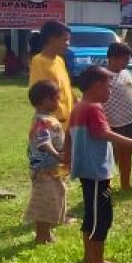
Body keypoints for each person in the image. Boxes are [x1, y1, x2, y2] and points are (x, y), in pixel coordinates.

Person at [70, 66, 132, 263]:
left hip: (88, 170)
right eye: (108, 87)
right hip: (96, 171)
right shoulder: (93, 107)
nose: (110, 92)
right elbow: (104, 133)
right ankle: (97, 261)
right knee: (101, 217)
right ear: (96, 86)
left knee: (91, 214)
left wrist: (67, 157)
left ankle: (89, 256)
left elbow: (70, 137)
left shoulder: (78, 105)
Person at [24, 80, 69, 245]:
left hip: (53, 169)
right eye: (56, 99)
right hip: (44, 170)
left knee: (56, 197)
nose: (59, 102)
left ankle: (48, 231)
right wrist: (58, 155)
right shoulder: (41, 121)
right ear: (45, 100)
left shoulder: (48, 119)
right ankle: (42, 235)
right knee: (44, 201)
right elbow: (44, 143)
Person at [28, 21, 74, 169]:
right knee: (51, 167)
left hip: (68, 122)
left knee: (64, 169)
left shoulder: (59, 60)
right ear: (52, 39)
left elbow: (66, 87)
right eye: (65, 40)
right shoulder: (39, 61)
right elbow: (40, 92)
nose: (67, 44)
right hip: (52, 124)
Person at [104, 42, 132, 191]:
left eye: (128, 59)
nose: (127, 62)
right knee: (111, 157)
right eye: (124, 59)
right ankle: (105, 186)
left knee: (127, 154)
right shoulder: (102, 77)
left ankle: (125, 185)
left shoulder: (127, 74)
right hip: (111, 125)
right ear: (112, 58)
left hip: (130, 122)